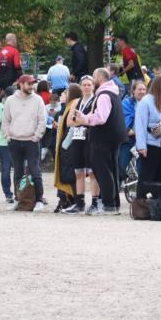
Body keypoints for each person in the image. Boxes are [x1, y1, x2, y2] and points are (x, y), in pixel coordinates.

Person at [69, 68, 128, 215]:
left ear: (100, 78)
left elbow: (101, 117)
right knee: (112, 170)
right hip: (113, 137)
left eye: (94, 77)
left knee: (103, 171)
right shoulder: (113, 92)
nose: (93, 80)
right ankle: (113, 204)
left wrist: (85, 119)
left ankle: (108, 205)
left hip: (104, 138)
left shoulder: (103, 95)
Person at [3, 74, 47, 212]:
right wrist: (8, 136)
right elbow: (5, 120)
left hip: (31, 141)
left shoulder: (38, 99)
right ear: (21, 84)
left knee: (35, 171)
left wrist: (36, 136)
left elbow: (42, 120)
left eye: (33, 83)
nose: (32, 86)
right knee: (17, 172)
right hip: (15, 141)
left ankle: (39, 200)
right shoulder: (10, 100)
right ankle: (18, 199)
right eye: (29, 84)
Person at [60, 76, 99, 214]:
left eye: (89, 84)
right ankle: (79, 202)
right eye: (84, 85)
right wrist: (83, 120)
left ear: (93, 86)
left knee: (93, 172)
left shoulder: (96, 100)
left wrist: (80, 119)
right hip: (77, 138)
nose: (87, 87)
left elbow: (94, 119)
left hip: (90, 138)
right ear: (80, 87)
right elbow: (69, 122)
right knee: (79, 172)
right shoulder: (77, 102)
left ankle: (95, 202)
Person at [134, 75, 161, 184]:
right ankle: (141, 199)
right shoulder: (145, 102)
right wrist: (141, 146)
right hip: (151, 144)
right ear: (160, 86)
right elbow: (140, 126)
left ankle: (159, 199)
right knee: (148, 174)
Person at [54, 83, 82, 211]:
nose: (61, 95)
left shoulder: (74, 104)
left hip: (69, 145)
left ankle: (74, 201)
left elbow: (72, 127)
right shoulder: (67, 106)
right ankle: (67, 200)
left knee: (70, 174)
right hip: (67, 145)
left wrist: (64, 146)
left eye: (65, 93)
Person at [0, 86, 15, 204]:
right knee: (6, 168)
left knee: (19, 168)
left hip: (16, 140)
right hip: (2, 142)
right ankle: (8, 193)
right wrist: (9, 122)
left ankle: (20, 192)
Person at [120, 80, 146, 183]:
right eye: (139, 89)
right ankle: (114, 196)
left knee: (142, 169)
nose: (142, 91)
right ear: (133, 91)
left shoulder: (148, 103)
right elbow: (121, 119)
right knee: (120, 166)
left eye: (144, 89)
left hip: (142, 141)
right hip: (128, 140)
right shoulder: (126, 103)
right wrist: (128, 130)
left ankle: (141, 196)